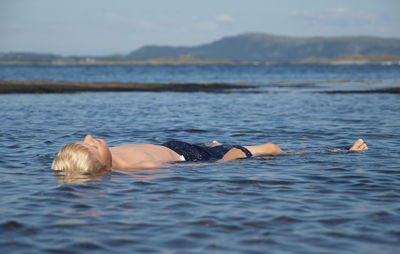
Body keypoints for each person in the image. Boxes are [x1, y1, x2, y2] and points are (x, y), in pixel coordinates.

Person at [51, 135, 368, 173]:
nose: (90, 137)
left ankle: (218, 144)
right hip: (190, 156)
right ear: (102, 161)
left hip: (175, 146)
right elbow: (202, 170)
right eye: (92, 145)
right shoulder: (141, 168)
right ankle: (343, 151)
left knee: (214, 145)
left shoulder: (104, 163)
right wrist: (230, 159)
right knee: (269, 149)